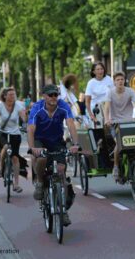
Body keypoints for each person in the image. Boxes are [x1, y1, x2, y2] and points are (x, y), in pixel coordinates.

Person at [28, 84, 79, 226]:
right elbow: (31, 129)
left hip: (56, 141)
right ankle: (39, 182)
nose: (53, 97)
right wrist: (32, 148)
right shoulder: (37, 108)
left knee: (61, 170)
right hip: (40, 140)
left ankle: (63, 210)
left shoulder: (63, 106)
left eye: (56, 94)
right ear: (44, 96)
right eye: (50, 95)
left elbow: (71, 124)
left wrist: (75, 144)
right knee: (42, 158)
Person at [104, 72, 135, 180]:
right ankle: (115, 166)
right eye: (118, 79)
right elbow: (107, 107)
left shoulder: (130, 91)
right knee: (118, 145)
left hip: (129, 123)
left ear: (124, 81)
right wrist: (106, 119)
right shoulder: (110, 92)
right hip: (115, 123)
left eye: (122, 79)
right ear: (114, 82)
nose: (120, 81)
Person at [0, 87, 27, 193]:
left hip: (15, 133)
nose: (12, 96)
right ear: (4, 96)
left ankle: (16, 184)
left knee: (15, 158)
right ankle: (0, 167)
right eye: (10, 95)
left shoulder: (18, 105)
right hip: (3, 133)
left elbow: (23, 118)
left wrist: (25, 122)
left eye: (13, 94)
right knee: (6, 146)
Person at [85, 62, 114, 127]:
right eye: (98, 69)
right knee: (99, 130)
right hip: (96, 109)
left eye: (101, 69)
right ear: (94, 72)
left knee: (110, 129)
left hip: (108, 107)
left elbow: (114, 94)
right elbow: (87, 101)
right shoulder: (91, 83)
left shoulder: (108, 79)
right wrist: (91, 115)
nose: (100, 71)